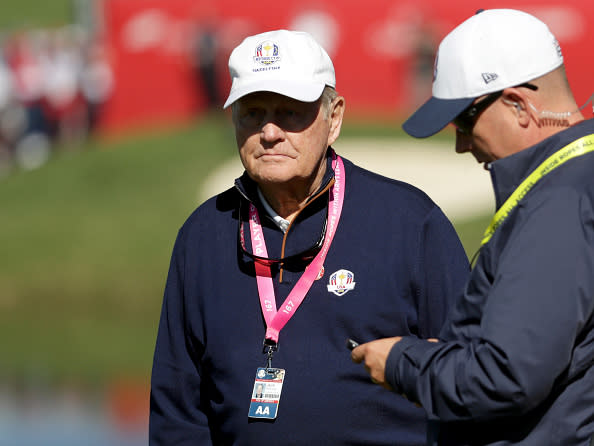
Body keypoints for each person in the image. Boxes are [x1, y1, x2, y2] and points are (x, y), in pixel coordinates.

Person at [149, 29, 469, 445]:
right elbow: (178, 413)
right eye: (253, 112)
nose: (269, 132)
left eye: (290, 112)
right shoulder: (203, 235)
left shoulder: (410, 223)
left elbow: (468, 386)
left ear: (333, 117)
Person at [351, 9, 594, 445]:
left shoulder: (560, 202)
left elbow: (506, 376)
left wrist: (403, 362)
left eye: (464, 120)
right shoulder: (576, 178)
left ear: (520, 105)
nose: (461, 143)